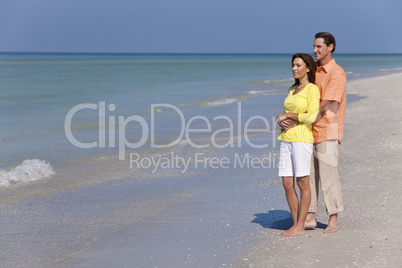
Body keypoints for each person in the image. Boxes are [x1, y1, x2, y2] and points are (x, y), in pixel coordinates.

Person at [281, 32, 346, 233]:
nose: (315, 50)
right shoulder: (313, 71)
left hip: (327, 129)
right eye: (314, 46)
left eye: (319, 46)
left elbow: (325, 102)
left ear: (331, 47)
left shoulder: (336, 72)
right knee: (307, 176)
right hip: (307, 131)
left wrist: (294, 117)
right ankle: (309, 216)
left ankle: (333, 218)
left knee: (328, 176)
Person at [276, 53, 320, 237]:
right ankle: (296, 224)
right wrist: (281, 118)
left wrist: (289, 116)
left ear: (308, 68)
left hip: (302, 140)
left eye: (298, 65)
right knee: (287, 183)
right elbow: (287, 111)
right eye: (293, 65)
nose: (294, 68)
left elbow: (312, 116)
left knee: (302, 182)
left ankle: (301, 225)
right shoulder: (292, 89)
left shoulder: (312, 90)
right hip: (285, 139)